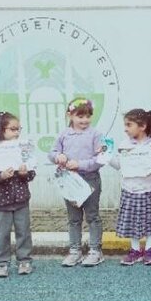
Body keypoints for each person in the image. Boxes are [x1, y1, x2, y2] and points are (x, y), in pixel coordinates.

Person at [49, 97, 105, 268]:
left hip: (90, 180)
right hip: (70, 181)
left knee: (92, 216)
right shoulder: (64, 134)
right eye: (80, 116)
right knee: (73, 218)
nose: (85, 120)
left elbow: (100, 159)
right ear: (70, 115)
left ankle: (95, 250)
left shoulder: (95, 134)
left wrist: (80, 164)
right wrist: (58, 156)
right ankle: (75, 250)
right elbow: (52, 152)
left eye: (88, 116)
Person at [0, 112, 35, 278]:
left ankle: (24, 260)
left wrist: (25, 173)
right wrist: (0, 176)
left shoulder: (23, 150)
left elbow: (31, 174)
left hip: (21, 200)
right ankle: (2, 262)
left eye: (19, 129)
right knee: (1, 233)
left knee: (23, 231)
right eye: (13, 129)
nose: (17, 133)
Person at [107, 109, 151, 266]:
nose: (125, 129)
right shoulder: (124, 145)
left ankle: (149, 249)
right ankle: (135, 250)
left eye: (129, 125)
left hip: (148, 190)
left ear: (142, 126)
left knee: (150, 221)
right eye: (125, 125)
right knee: (132, 221)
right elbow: (119, 165)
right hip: (130, 190)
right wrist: (106, 156)